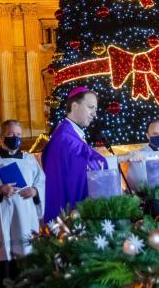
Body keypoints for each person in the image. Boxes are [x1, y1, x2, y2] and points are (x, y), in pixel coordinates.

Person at [0, 120, 45, 288]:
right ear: (2, 136)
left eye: (19, 135)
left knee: (25, 265)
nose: (16, 138)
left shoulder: (29, 160)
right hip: (1, 220)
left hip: (25, 218)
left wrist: (35, 191)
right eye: (12, 134)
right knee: (2, 268)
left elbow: (41, 182)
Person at [42, 87, 107, 222]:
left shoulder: (70, 133)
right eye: (90, 107)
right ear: (75, 106)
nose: (94, 114)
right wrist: (118, 159)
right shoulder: (66, 137)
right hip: (68, 209)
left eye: (95, 109)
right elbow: (86, 161)